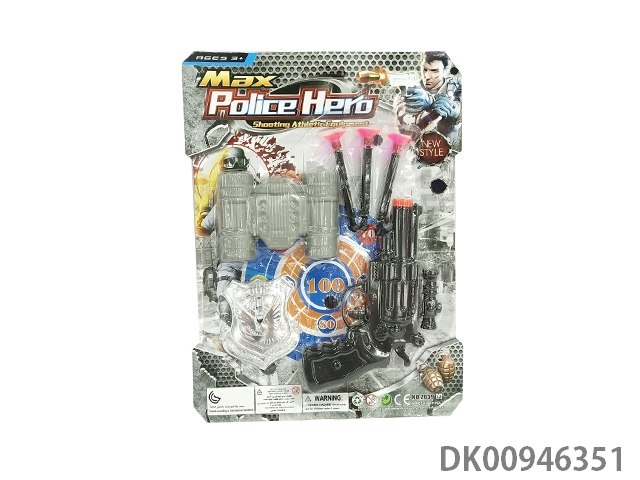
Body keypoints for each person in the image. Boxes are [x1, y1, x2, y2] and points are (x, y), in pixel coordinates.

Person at [396, 51, 462, 150]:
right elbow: (404, 126)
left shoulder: (456, 88)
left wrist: (453, 110)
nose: (427, 76)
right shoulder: (411, 91)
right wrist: (428, 109)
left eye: (434, 71)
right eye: (425, 69)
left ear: (445, 71)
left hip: (447, 148)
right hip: (417, 150)